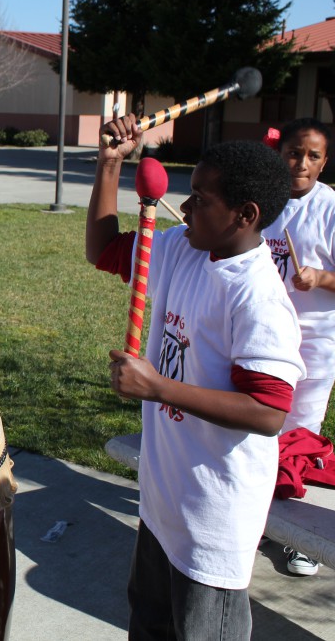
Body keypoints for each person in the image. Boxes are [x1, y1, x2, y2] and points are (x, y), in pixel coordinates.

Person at [86, 114, 305, 640]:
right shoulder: (182, 249)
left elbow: (269, 411)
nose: (184, 208)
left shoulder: (258, 299)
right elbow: (102, 249)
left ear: (244, 215)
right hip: (164, 500)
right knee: (151, 623)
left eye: (201, 199)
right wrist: (110, 166)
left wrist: (156, 387)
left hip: (214, 516)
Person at [261, 117, 335, 576]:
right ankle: (258, 518)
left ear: (324, 162)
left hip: (314, 343)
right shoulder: (264, 200)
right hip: (260, 339)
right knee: (259, 432)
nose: (301, 163)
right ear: (279, 153)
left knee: (299, 437)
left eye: (313, 155)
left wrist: (321, 278)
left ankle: (302, 538)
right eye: (293, 152)